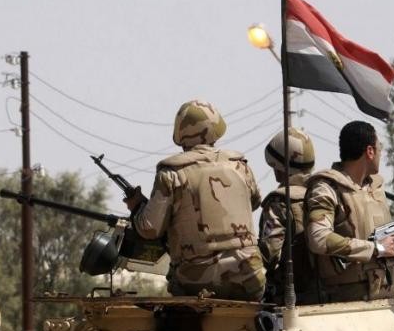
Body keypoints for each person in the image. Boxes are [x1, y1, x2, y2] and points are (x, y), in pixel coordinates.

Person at [124, 99, 265, 301]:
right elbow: (254, 202)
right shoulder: (240, 166)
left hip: (195, 282)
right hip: (249, 277)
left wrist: (137, 207)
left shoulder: (171, 173)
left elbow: (150, 229)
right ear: (216, 129)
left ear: (180, 135)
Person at [305, 120, 394, 302]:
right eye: (379, 148)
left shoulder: (375, 189)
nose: (381, 154)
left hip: (385, 296)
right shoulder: (327, 188)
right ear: (370, 151)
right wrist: (376, 248)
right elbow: (318, 238)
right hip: (347, 302)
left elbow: (387, 245)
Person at [258, 127, 316, 303]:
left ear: (278, 167)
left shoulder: (280, 202)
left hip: (290, 297)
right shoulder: (323, 193)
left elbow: (268, 255)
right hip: (325, 293)